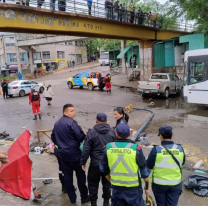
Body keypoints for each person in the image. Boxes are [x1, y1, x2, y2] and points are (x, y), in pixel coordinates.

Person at [99, 123, 150, 206]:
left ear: (116, 134)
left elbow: (103, 169)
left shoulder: (108, 148)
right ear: (129, 134)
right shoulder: (135, 149)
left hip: (116, 188)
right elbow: (144, 171)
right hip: (134, 190)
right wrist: (147, 188)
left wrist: (111, 180)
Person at [51, 104, 89, 204]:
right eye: (71, 111)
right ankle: (84, 197)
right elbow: (81, 137)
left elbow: (53, 138)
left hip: (63, 156)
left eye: (74, 110)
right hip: (75, 156)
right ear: (65, 112)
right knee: (81, 178)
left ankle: (72, 199)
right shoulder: (72, 123)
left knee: (68, 178)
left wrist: (59, 147)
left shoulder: (57, 123)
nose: (74, 112)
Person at [80, 113, 116, 206]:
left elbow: (86, 149)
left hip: (95, 164)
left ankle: (94, 203)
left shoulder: (92, 132)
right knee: (107, 184)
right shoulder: (112, 131)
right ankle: (106, 202)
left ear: (96, 120)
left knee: (92, 184)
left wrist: (83, 162)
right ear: (106, 120)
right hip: (108, 164)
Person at [147, 126, 185, 206]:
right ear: (172, 135)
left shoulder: (156, 150)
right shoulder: (180, 149)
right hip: (175, 184)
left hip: (159, 185)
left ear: (160, 136)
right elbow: (183, 162)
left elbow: (149, 165)